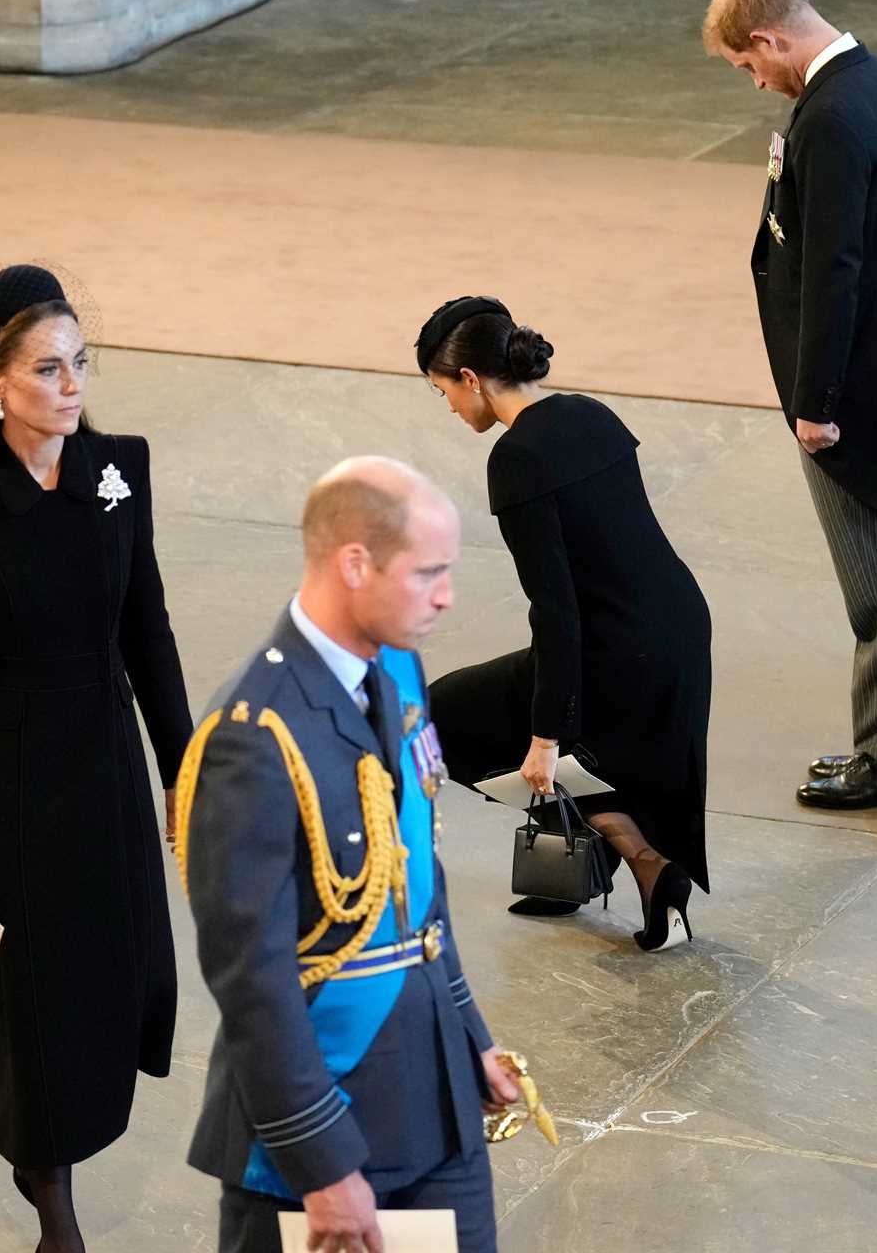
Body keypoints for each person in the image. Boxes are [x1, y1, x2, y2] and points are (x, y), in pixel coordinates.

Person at [0, 265, 192, 1253]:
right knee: (35, 985)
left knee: (130, 960)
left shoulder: (119, 469)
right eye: (48, 368)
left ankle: (55, 1132)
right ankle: (48, 1186)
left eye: (81, 363)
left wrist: (178, 767)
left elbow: (146, 625)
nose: (72, 386)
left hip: (105, 747)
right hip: (16, 771)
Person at [176, 457, 518, 1253]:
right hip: (323, 1121)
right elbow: (251, 978)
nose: (446, 596)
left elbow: (414, 882)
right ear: (354, 563)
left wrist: (466, 1032)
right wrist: (322, 1164)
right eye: (428, 573)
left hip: (432, 1096)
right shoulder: (252, 736)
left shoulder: (397, 665)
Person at [702, 0, 877, 810]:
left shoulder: (833, 116)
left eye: (748, 66)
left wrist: (818, 401)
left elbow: (834, 269)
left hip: (851, 378)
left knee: (875, 569)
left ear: (769, 39)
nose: (757, 82)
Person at [415, 296, 712, 953]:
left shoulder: (516, 458)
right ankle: (597, 858)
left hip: (613, 648)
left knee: (437, 720)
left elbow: (557, 611)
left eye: (443, 392)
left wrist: (547, 734)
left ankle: (645, 861)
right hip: (679, 627)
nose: (451, 408)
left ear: (471, 378)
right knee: (566, 740)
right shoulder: (589, 414)